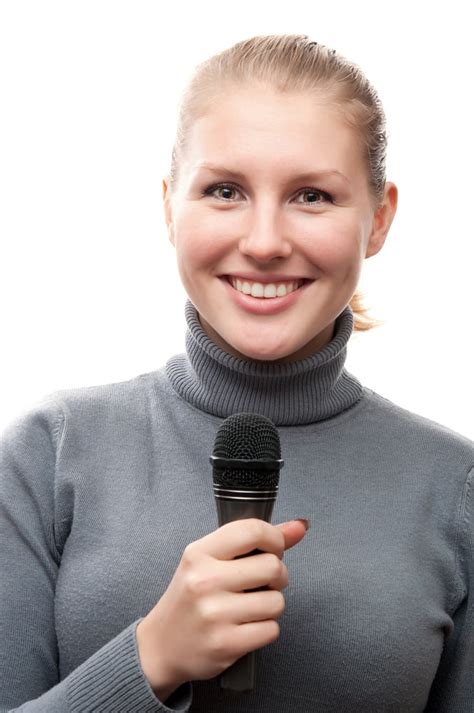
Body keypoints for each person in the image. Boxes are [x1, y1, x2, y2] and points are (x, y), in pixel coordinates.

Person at [0, 32, 472, 713]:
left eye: (311, 196)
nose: (264, 242)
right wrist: (151, 657)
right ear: (169, 205)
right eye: (225, 190)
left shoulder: (457, 491)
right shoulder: (47, 456)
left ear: (380, 218)